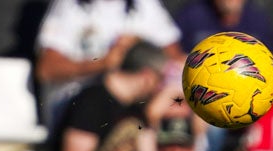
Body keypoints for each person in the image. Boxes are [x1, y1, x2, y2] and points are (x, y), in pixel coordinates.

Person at [34, 0, 182, 126]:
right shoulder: (70, 6)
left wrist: (140, 46)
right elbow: (46, 69)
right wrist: (103, 63)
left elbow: (176, 62)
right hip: (79, 110)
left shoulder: (145, 5)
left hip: (134, 111)